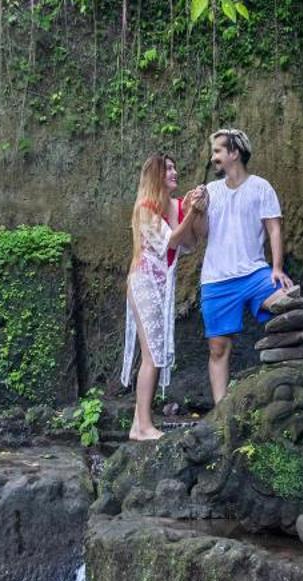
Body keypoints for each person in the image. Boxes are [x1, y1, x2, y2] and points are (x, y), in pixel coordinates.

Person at [176, 127, 293, 403]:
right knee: (218, 348)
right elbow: (203, 232)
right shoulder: (211, 191)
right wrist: (199, 210)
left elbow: (274, 229)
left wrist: (277, 268)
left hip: (255, 273)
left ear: (234, 153)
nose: (213, 157)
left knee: (287, 303)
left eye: (217, 151)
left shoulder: (261, 187)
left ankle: (286, 385)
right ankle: (221, 412)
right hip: (216, 279)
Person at [120, 153, 186, 440]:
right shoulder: (145, 207)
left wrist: (192, 211)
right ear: (156, 175)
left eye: (174, 166)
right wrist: (192, 214)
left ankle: (139, 423)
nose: (174, 171)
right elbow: (170, 240)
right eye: (168, 168)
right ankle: (144, 426)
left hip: (157, 287)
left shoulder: (163, 208)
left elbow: (188, 243)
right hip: (144, 284)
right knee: (152, 356)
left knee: (155, 355)